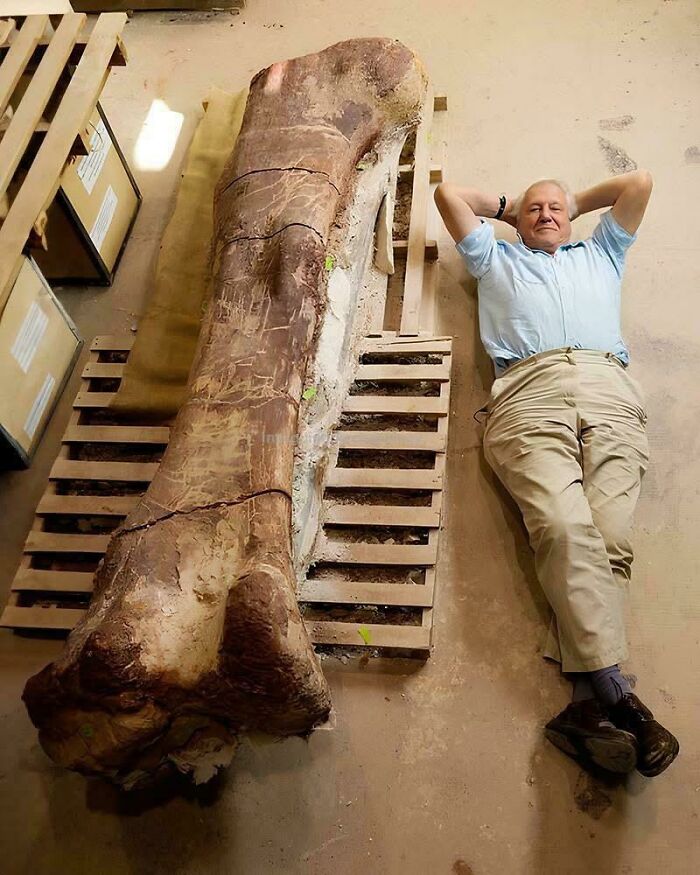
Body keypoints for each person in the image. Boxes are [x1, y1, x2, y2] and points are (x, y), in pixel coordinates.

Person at [435, 171, 679, 777]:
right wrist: (509, 207)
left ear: (572, 216)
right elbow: (448, 195)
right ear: (517, 219)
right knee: (565, 529)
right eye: (534, 209)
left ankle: (584, 708)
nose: (545, 215)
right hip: (529, 393)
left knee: (611, 540)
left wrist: (572, 201)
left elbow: (639, 183)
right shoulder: (495, 258)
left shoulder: (602, 251)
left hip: (610, 390)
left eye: (555, 208)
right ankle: (619, 695)